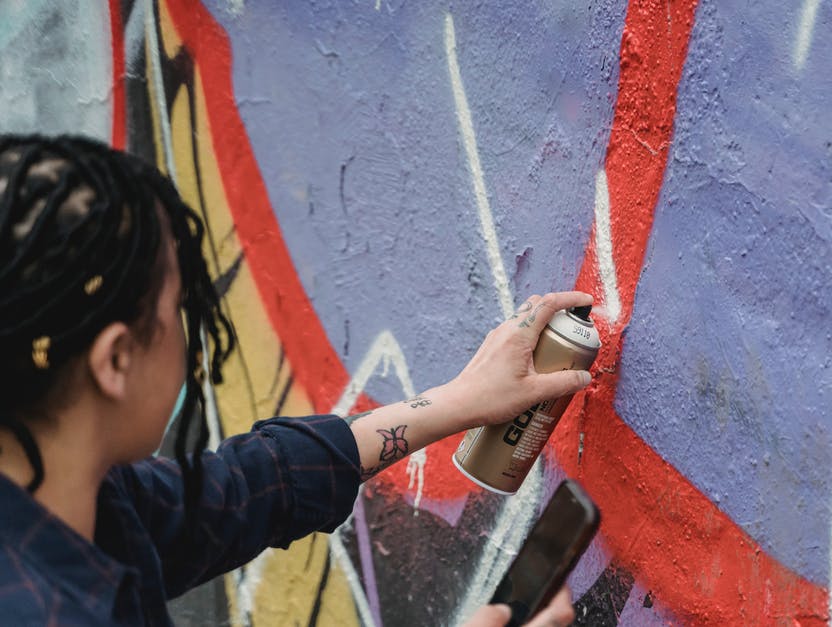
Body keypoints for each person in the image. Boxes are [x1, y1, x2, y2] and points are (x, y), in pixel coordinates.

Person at [0, 134, 588, 626]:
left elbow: (243, 488)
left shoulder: (80, 497)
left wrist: (459, 401)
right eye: (180, 308)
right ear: (117, 361)